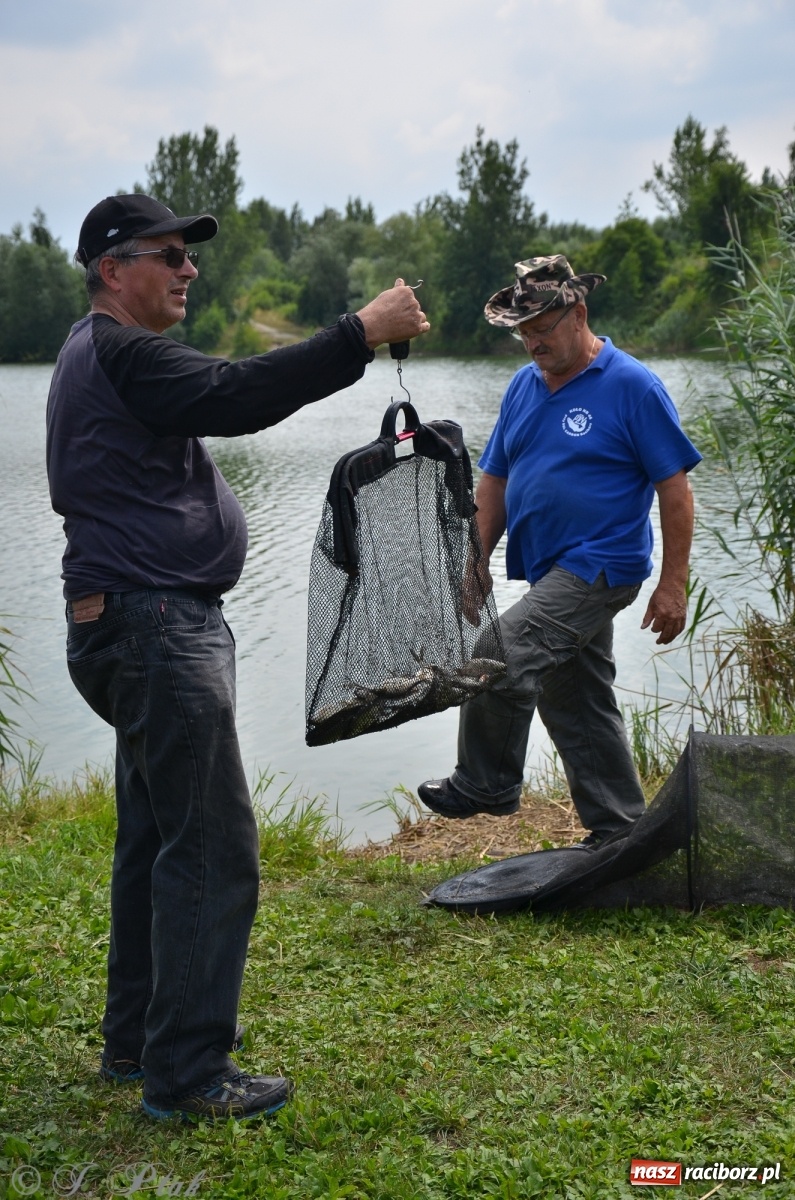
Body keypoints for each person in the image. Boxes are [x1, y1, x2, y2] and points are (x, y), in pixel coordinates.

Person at [46, 193, 429, 1123]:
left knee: (157, 838)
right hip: (153, 629)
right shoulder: (123, 350)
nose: (187, 269)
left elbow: (208, 403)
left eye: (188, 255)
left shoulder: (96, 354)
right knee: (213, 847)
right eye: (167, 255)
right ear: (112, 269)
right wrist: (358, 334)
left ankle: (141, 1040)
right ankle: (188, 1075)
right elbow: (234, 395)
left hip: (130, 625)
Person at [418, 255, 701, 844]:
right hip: (549, 571)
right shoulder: (523, 386)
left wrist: (673, 584)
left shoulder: (632, 385)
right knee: (576, 701)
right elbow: (493, 481)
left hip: (602, 565)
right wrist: (476, 558)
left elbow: (675, 488)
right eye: (522, 331)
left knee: (499, 651)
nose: (531, 341)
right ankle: (620, 831)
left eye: (542, 327)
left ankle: (485, 782)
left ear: (579, 314)